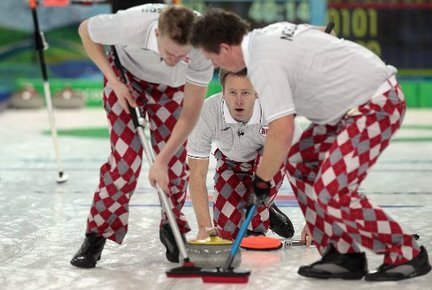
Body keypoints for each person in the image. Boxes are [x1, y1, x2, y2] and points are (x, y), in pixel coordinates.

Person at [190, 8, 431, 281]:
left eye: (210, 57)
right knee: (300, 162)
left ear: (224, 48)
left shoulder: (261, 62)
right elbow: (318, 34)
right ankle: (341, 253)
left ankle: (406, 252)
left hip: (375, 103)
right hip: (344, 110)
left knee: (333, 191)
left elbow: (282, 130)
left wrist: (261, 181)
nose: (211, 64)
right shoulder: (263, 38)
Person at [70, 3, 213, 268]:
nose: (173, 59)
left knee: (174, 163)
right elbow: (85, 31)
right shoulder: (128, 24)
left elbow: (191, 112)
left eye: (181, 56)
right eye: (170, 52)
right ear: (157, 34)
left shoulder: (203, 45)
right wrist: (114, 81)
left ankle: (171, 225)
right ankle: (96, 233)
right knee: (124, 164)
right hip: (125, 80)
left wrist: (162, 159)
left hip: (172, 90)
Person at [188, 68, 302, 241]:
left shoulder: (276, 112)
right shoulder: (207, 113)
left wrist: (314, 221)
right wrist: (205, 228)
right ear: (223, 92)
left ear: (257, 93)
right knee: (227, 233)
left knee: (275, 150)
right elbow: (196, 174)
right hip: (231, 164)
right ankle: (266, 209)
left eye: (246, 92)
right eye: (232, 92)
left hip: (268, 163)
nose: (238, 101)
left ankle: (259, 212)